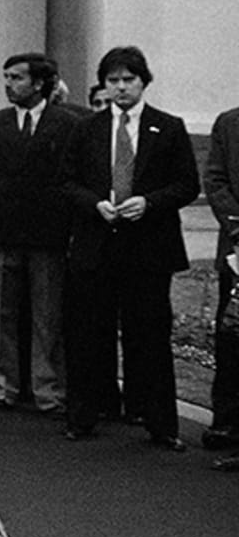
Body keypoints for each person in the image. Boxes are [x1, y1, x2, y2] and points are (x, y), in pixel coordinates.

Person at [59, 46, 200, 450]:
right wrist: (94, 204)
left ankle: (160, 424)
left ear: (143, 82)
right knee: (88, 335)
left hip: (148, 249)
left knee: (150, 337)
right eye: (113, 81)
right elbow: (66, 182)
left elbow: (187, 184)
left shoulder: (168, 128)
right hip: (97, 244)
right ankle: (83, 416)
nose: (121, 88)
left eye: (128, 80)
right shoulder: (86, 129)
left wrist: (150, 202)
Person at [0, 52, 80, 413]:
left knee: (47, 315)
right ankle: (0, 386)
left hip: (48, 235)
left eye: (17, 77)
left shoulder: (67, 124)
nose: (8, 84)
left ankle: (47, 389)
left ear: (39, 83)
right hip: (2, 232)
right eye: (6, 77)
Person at [204, 98, 239, 466]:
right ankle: (228, 423)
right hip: (237, 251)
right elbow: (215, 180)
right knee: (231, 340)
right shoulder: (228, 124)